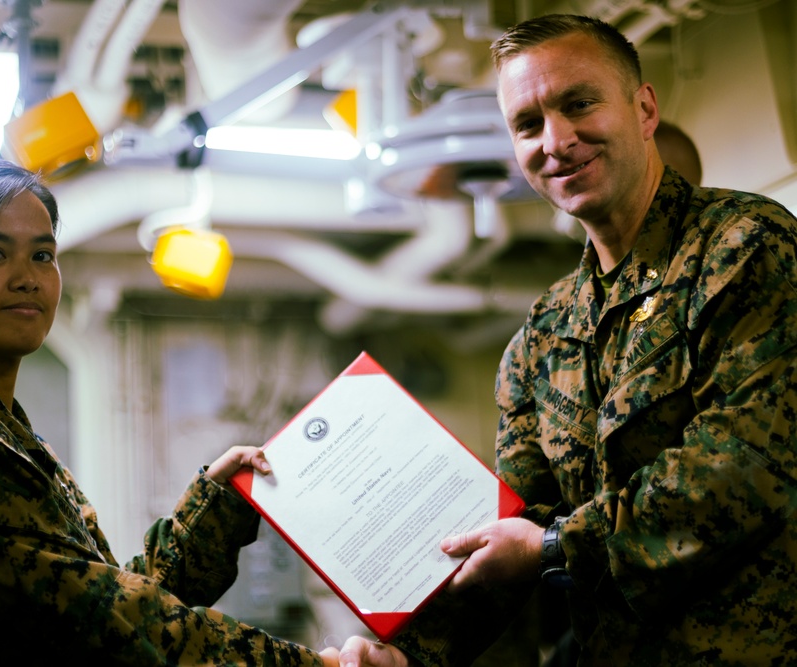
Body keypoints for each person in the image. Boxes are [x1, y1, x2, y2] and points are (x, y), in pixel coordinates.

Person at [335, 13, 797, 667]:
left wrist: (555, 544)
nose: (556, 140)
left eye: (579, 103)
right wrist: (405, 652)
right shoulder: (541, 335)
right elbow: (510, 527)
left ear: (643, 108)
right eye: (527, 124)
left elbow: (741, 471)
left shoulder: (747, 247)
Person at [0, 160, 341, 666]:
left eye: (42, 255)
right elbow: (105, 627)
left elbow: (104, 601)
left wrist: (219, 506)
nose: (27, 278)